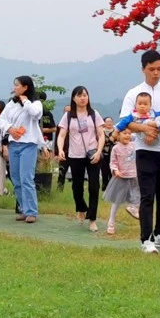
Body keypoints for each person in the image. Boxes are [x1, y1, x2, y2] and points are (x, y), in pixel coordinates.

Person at [118, 52, 160, 253]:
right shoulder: (133, 93)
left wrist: (157, 130)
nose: (156, 73)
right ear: (143, 69)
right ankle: (146, 239)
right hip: (144, 151)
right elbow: (127, 121)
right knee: (147, 195)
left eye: (159, 69)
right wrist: (145, 129)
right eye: (151, 69)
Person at [56, 86, 106, 232]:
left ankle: (92, 219)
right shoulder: (68, 116)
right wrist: (60, 149)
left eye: (85, 95)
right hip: (74, 155)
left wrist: (98, 151)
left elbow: (101, 135)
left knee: (94, 186)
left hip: (92, 155)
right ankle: (81, 208)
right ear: (74, 98)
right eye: (79, 96)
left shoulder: (94, 114)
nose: (83, 98)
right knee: (76, 187)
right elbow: (61, 135)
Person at [0, 75, 45, 224]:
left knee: (26, 178)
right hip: (14, 144)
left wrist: (25, 100)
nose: (14, 88)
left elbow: (36, 114)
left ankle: (32, 211)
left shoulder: (35, 103)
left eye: (17, 85)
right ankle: (24, 209)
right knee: (16, 179)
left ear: (25, 87)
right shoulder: (11, 104)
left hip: (28, 144)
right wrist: (10, 129)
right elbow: (1, 120)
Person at [102, 126, 141, 236]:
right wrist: (115, 170)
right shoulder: (115, 148)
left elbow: (138, 135)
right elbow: (112, 162)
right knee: (117, 201)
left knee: (139, 195)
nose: (127, 135)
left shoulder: (134, 145)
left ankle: (133, 207)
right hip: (121, 178)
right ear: (118, 136)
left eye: (129, 133)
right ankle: (111, 222)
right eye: (124, 133)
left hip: (134, 176)